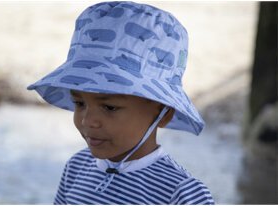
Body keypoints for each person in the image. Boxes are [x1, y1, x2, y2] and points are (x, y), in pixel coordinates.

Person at [27, 1, 215, 204]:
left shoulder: (181, 193)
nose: (88, 121)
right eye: (79, 103)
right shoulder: (77, 167)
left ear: (164, 112)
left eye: (109, 107)